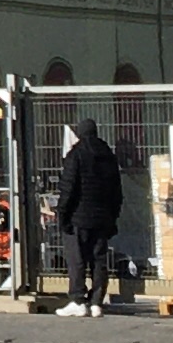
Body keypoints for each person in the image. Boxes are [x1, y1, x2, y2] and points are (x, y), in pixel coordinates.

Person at [56, 119, 123, 315]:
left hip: (78, 216)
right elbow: (117, 191)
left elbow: (68, 188)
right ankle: (96, 302)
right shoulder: (108, 156)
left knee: (76, 259)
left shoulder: (76, 154)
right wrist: (112, 216)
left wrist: (62, 214)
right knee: (99, 260)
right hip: (102, 217)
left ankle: (78, 300)